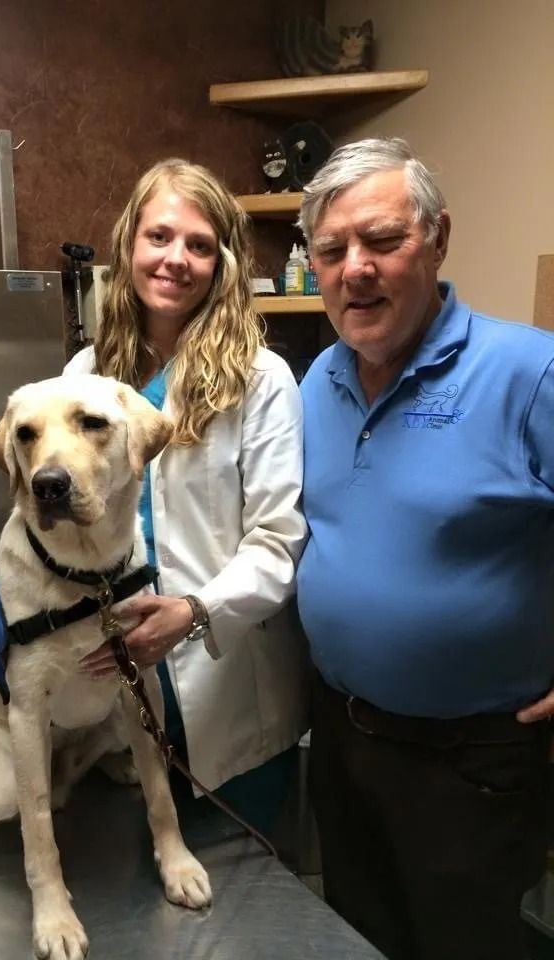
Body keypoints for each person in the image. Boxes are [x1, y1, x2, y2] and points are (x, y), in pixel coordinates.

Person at [0, 157, 310, 835]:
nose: (176, 259)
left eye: (200, 245)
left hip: (222, 690)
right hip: (109, 704)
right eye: (160, 237)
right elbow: (40, 519)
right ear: (129, 248)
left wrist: (195, 611)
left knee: (247, 905)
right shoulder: (86, 374)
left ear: (223, 264)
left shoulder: (261, 381)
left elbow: (277, 542)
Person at [296, 135, 554, 960]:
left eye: (382, 240)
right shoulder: (315, 381)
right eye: (332, 251)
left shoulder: (529, 371)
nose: (356, 269)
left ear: (438, 238)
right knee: (359, 936)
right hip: (341, 743)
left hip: (471, 762)